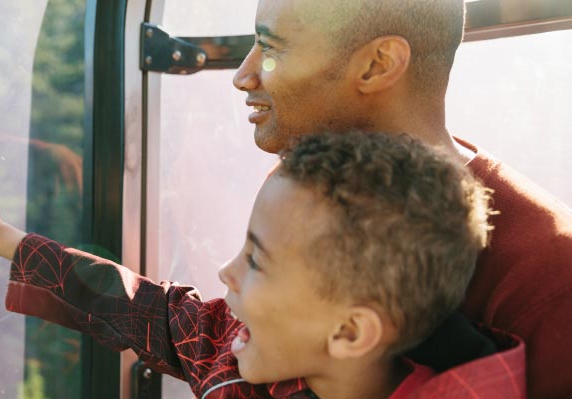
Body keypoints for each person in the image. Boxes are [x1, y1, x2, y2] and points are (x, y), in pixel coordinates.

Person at [0, 131, 525, 398]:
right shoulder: (235, 353)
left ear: (348, 331)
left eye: (256, 260)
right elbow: (141, 306)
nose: (225, 271)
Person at [231, 1, 572, 397]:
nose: (243, 76)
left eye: (270, 48)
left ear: (378, 64)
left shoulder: (549, 275)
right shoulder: (309, 193)